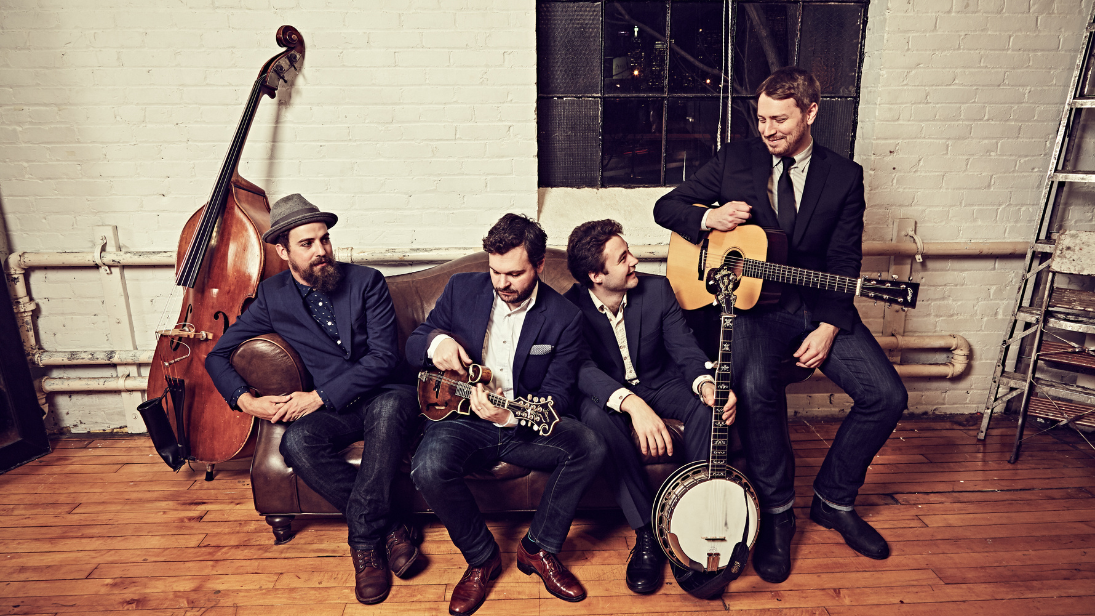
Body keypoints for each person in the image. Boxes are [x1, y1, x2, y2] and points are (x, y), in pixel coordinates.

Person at [653, 67, 908, 584]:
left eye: (780, 119)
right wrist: (710, 219)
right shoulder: (736, 159)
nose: (768, 129)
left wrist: (831, 326)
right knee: (753, 389)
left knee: (887, 396)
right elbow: (667, 207)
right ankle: (776, 514)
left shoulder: (844, 176)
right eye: (762, 117)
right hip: (754, 311)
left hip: (820, 306)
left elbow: (844, 260)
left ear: (810, 112)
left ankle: (834, 500)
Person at [205, 194, 420, 605]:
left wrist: (318, 396)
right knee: (296, 442)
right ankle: (392, 526)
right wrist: (246, 401)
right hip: (341, 412)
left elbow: (383, 358)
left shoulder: (367, 281)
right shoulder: (271, 297)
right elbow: (217, 353)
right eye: (308, 244)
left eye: (324, 240)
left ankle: (364, 547)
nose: (322, 251)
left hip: (387, 396)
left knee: (390, 408)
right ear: (283, 251)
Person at [406, 213, 604, 616]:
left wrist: (507, 417)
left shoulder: (565, 318)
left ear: (539, 265)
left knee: (591, 447)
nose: (502, 283)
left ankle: (538, 548)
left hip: (520, 423)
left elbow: (560, 394)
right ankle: (482, 559)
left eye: (514, 274)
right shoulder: (462, 289)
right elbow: (413, 347)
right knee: (426, 468)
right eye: (495, 271)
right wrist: (437, 342)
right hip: (461, 419)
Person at [563, 219, 736, 594]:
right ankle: (647, 535)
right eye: (624, 257)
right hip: (607, 396)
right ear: (596, 275)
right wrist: (631, 404)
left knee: (709, 407)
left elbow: (685, 349)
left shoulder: (657, 290)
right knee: (595, 420)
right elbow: (582, 369)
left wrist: (706, 384)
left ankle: (689, 515)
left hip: (661, 382)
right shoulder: (568, 310)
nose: (636, 261)